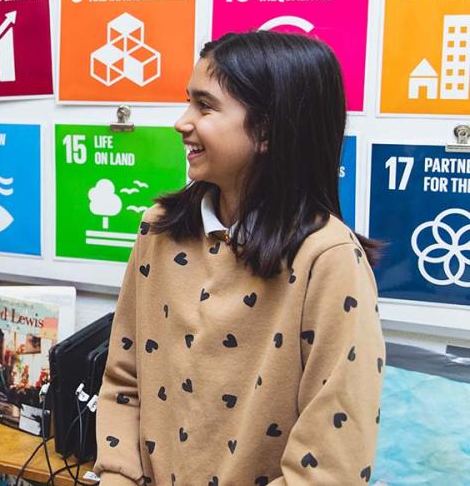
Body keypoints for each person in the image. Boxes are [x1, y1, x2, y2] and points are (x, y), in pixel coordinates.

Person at [95, 31, 385, 485]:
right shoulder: (159, 228)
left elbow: (331, 464)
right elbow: (124, 381)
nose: (182, 122)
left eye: (205, 106)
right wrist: (118, 477)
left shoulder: (329, 260)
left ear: (266, 130)